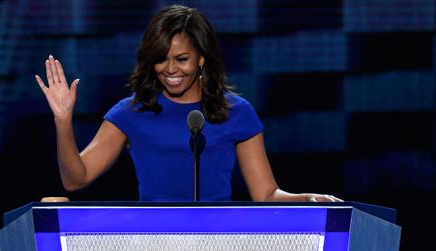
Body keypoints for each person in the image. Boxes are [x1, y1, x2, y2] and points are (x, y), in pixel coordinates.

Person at [35, 5, 342, 202]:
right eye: (160, 59)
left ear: (201, 59)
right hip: (152, 242)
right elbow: (76, 180)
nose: (170, 69)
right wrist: (62, 121)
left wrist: (306, 198)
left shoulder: (237, 112)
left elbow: (265, 194)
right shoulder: (130, 113)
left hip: (220, 241)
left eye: (181, 59)